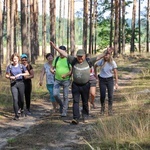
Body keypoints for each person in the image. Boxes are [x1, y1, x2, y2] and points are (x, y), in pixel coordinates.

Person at [50, 41, 113, 124]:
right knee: (75, 101)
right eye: (78, 56)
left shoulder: (89, 61)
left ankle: (85, 116)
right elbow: (64, 54)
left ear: (84, 56)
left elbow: (98, 57)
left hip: (86, 85)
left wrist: (106, 52)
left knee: (85, 101)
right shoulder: (73, 60)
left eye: (81, 56)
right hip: (76, 85)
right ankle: (75, 118)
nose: (80, 58)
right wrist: (55, 48)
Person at [95, 47, 118, 116]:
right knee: (102, 95)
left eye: (107, 55)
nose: (106, 56)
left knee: (110, 95)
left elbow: (115, 73)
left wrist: (116, 83)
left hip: (110, 80)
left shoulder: (112, 62)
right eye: (105, 55)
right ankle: (102, 109)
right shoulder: (101, 61)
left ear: (110, 55)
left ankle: (110, 110)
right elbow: (95, 66)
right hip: (102, 79)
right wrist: (96, 75)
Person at [5, 53, 29, 120]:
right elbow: (6, 75)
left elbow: (27, 73)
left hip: (21, 83)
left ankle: (21, 109)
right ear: (12, 59)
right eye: (13, 59)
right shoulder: (9, 67)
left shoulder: (21, 66)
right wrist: (10, 77)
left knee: (21, 99)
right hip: (13, 84)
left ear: (18, 59)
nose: (15, 60)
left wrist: (20, 74)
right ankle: (16, 115)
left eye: (16, 58)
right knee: (15, 99)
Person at [50, 46, 72, 117]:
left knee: (65, 96)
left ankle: (64, 111)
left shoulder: (68, 59)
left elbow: (72, 70)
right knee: (55, 94)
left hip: (66, 80)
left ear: (65, 51)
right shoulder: (56, 59)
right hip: (57, 80)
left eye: (63, 51)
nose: (61, 53)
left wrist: (66, 74)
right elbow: (52, 68)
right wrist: (52, 70)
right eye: (60, 51)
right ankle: (61, 105)